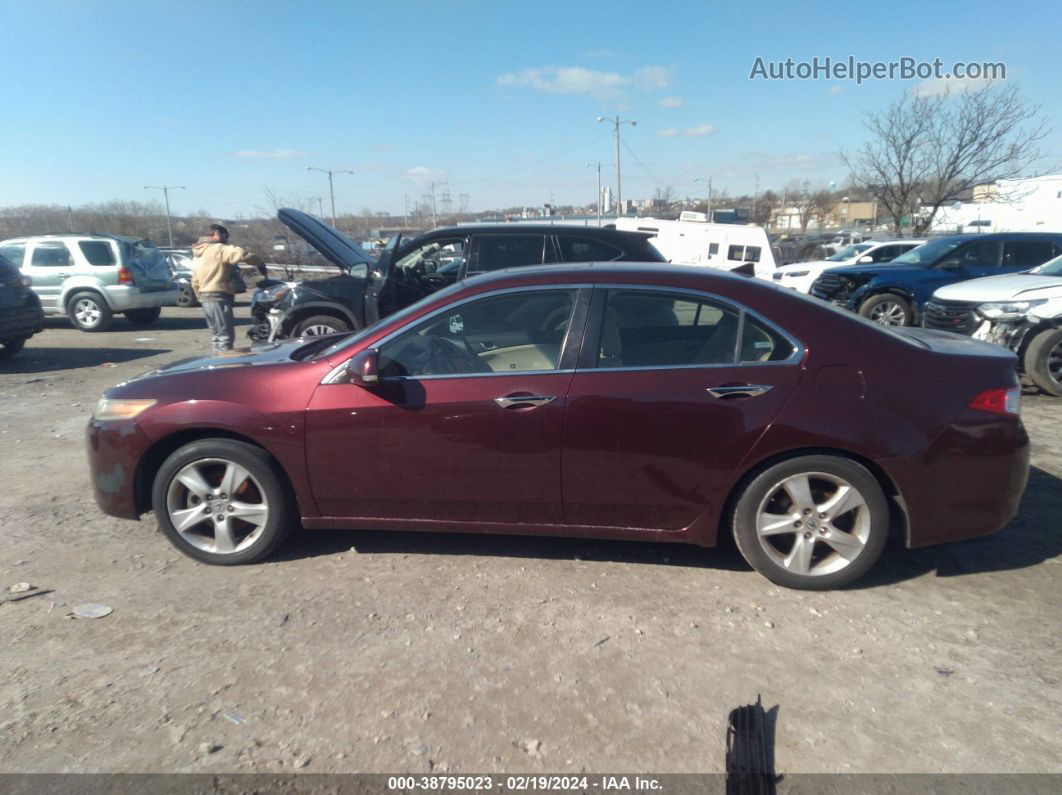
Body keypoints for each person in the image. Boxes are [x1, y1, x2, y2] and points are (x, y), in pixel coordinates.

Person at [190, 224, 265, 353]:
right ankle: (224, 366)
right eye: (225, 236)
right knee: (225, 337)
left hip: (205, 297)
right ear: (217, 234)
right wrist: (259, 262)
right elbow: (241, 254)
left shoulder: (199, 253)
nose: (227, 240)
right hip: (218, 296)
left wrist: (199, 296)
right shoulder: (218, 249)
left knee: (216, 335)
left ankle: (215, 364)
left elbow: (194, 279)